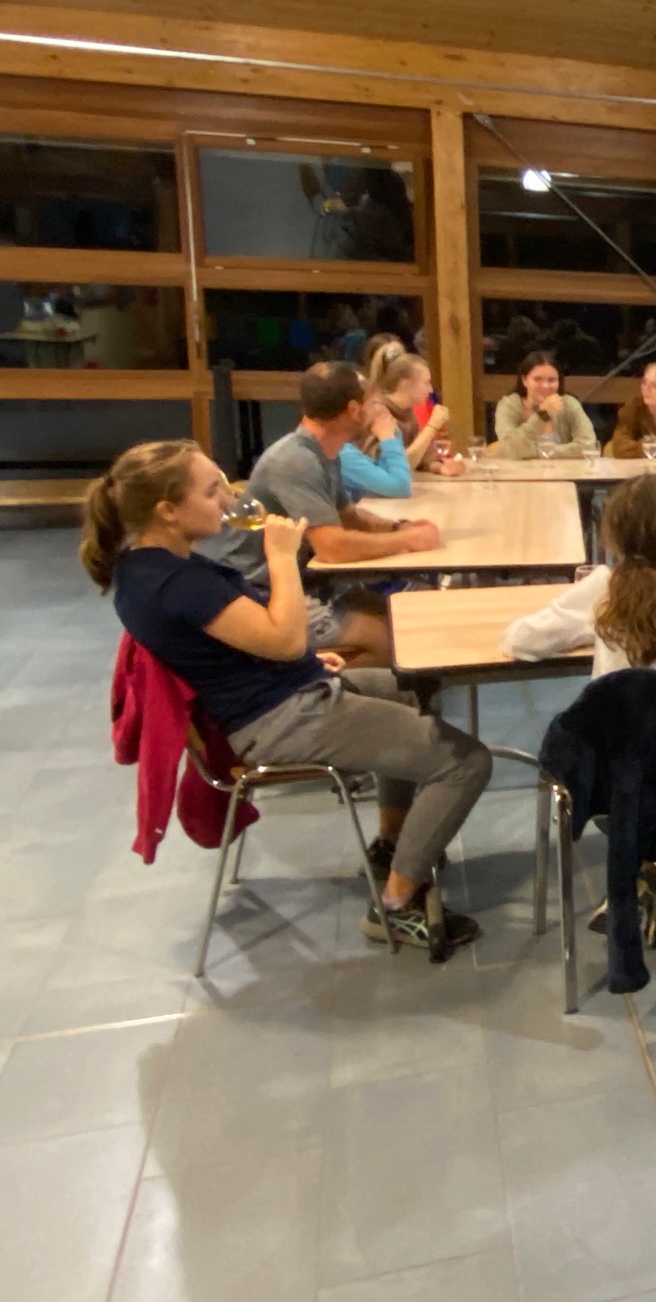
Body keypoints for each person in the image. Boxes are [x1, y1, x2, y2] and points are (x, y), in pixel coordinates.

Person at [82, 440, 492, 953]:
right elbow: (285, 640)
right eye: (211, 492)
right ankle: (396, 906)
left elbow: (234, 648)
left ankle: (392, 842)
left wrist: (307, 663)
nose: (227, 500)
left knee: (409, 688)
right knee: (465, 762)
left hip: (269, 696)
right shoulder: (178, 584)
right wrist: (280, 557)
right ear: (167, 511)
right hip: (278, 718)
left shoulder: (143, 569)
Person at [201, 362, 442, 666]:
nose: (378, 410)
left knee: (403, 616)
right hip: (261, 591)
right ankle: (301, 683)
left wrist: (398, 527)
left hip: (305, 579)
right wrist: (407, 541)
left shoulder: (326, 451)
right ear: (354, 410)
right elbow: (332, 547)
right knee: (387, 640)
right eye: (372, 402)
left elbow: (348, 516)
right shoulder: (295, 460)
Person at [501, 474, 656, 675]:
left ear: (612, 535)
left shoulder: (606, 590)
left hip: (625, 717)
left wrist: (590, 630)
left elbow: (519, 641)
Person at [367, 350, 462, 478]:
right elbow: (397, 467)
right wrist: (432, 425)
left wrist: (440, 467)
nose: (431, 390)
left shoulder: (408, 412)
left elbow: (420, 457)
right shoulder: (378, 412)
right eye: (426, 383)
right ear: (404, 384)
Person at [493, 350, 599, 459]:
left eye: (552, 380)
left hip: (563, 469)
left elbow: (589, 446)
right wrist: (542, 415)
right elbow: (512, 449)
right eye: (537, 379)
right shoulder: (509, 405)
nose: (545, 386)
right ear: (524, 380)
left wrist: (545, 451)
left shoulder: (569, 404)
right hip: (519, 470)